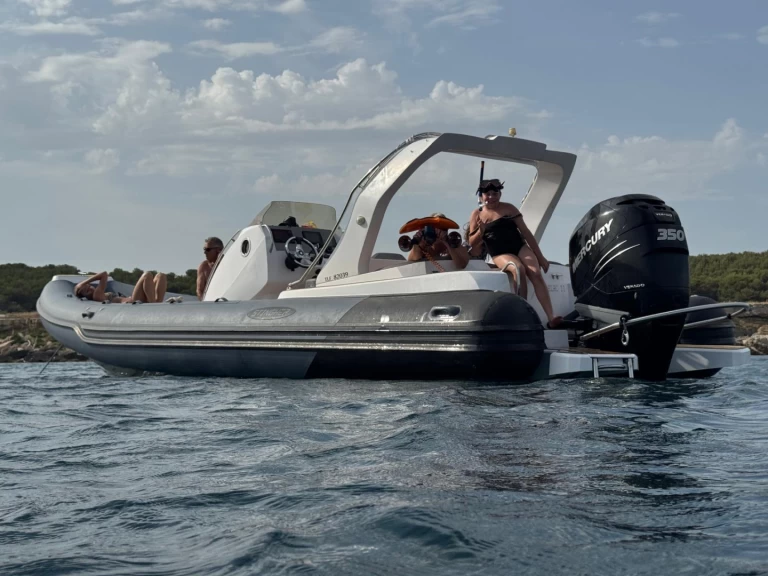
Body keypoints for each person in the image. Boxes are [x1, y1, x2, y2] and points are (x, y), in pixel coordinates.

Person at [468, 179, 563, 328]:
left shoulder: (509, 209)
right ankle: (522, 313)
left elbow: (526, 233)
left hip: (519, 247)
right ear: (481, 196)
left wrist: (540, 257)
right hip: (499, 253)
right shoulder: (476, 214)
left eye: (495, 193)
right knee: (518, 269)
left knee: (535, 271)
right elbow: (472, 243)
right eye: (488, 194)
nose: (491, 197)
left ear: (500, 194)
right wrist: (482, 231)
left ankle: (552, 316)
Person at [74, 271, 167, 303]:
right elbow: (104, 274)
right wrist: (84, 282)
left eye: (88, 286)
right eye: (87, 291)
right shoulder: (96, 295)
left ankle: (156, 303)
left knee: (160, 276)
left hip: (135, 299)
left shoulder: (98, 294)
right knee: (147, 275)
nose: (90, 288)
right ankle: (153, 305)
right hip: (133, 302)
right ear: (86, 296)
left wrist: (83, 284)